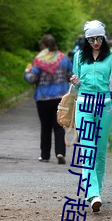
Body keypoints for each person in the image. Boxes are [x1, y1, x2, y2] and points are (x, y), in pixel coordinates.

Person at [70, 20, 112, 212]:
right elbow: (76, 86)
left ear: (104, 37)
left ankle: (96, 191)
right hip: (83, 105)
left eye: (99, 38)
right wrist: (75, 81)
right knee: (88, 150)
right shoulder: (78, 57)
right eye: (91, 39)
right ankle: (92, 193)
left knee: (100, 152)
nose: (95, 42)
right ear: (86, 39)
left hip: (105, 106)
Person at [24, 34, 73, 164]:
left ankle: (45, 155)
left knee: (45, 127)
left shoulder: (39, 60)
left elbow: (32, 79)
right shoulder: (64, 59)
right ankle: (60, 152)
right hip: (60, 98)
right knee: (58, 126)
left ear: (43, 46)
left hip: (43, 98)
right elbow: (71, 76)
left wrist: (27, 72)